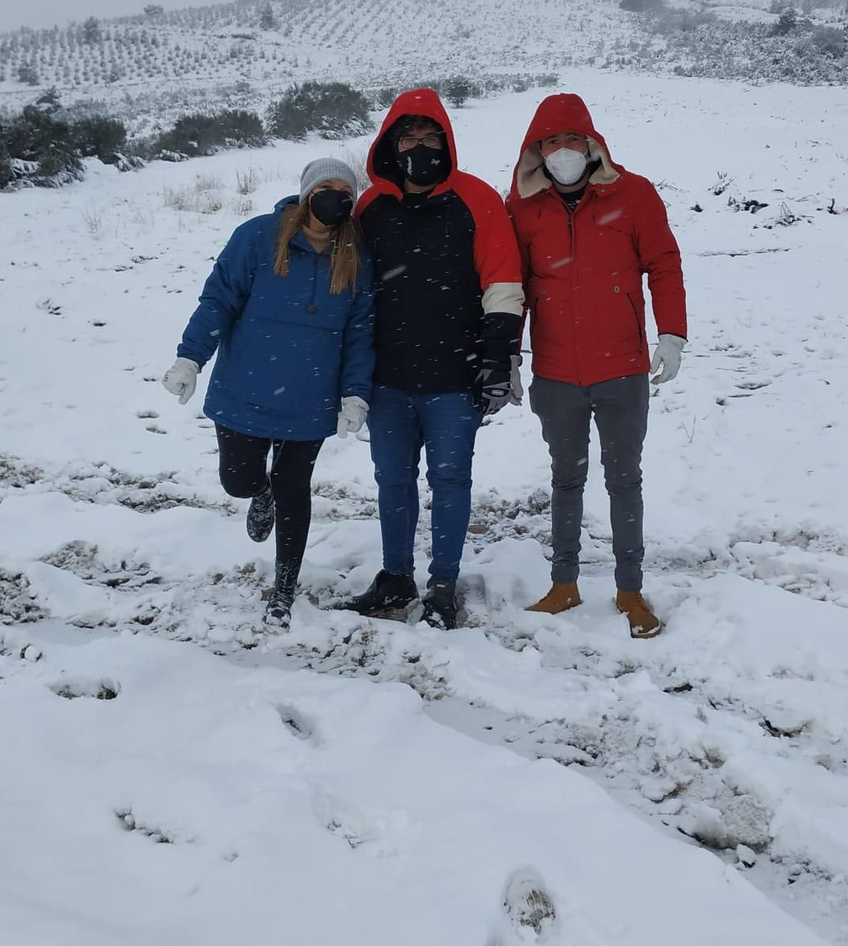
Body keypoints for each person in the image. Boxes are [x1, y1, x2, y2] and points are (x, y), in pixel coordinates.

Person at [160, 158, 374, 628]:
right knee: (238, 479)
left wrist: (354, 394)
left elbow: (361, 332)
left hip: (312, 396)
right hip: (246, 388)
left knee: (294, 486)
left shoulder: (356, 254)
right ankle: (260, 494)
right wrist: (190, 357)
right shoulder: (257, 237)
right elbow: (219, 299)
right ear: (307, 192)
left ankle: (284, 588)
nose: (336, 196)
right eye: (327, 187)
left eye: (346, 190)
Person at [505, 93, 687, 638]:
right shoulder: (521, 207)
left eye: (570, 140)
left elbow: (664, 262)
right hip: (557, 372)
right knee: (566, 479)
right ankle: (564, 584)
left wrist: (672, 333)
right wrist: (509, 352)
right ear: (537, 151)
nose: (561, 151)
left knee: (623, 479)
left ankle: (630, 590)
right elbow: (511, 285)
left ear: (591, 144)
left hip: (621, 370)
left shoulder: (632, 195)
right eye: (550, 142)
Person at [345, 88, 524, 629]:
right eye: (408, 136)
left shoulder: (476, 199)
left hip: (455, 373)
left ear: (446, 141)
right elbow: (348, 285)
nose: (419, 146)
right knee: (392, 480)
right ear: (390, 145)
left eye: (429, 137)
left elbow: (503, 280)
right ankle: (396, 577)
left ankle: (443, 583)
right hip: (387, 378)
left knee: (450, 480)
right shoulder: (370, 207)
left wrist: (498, 356)